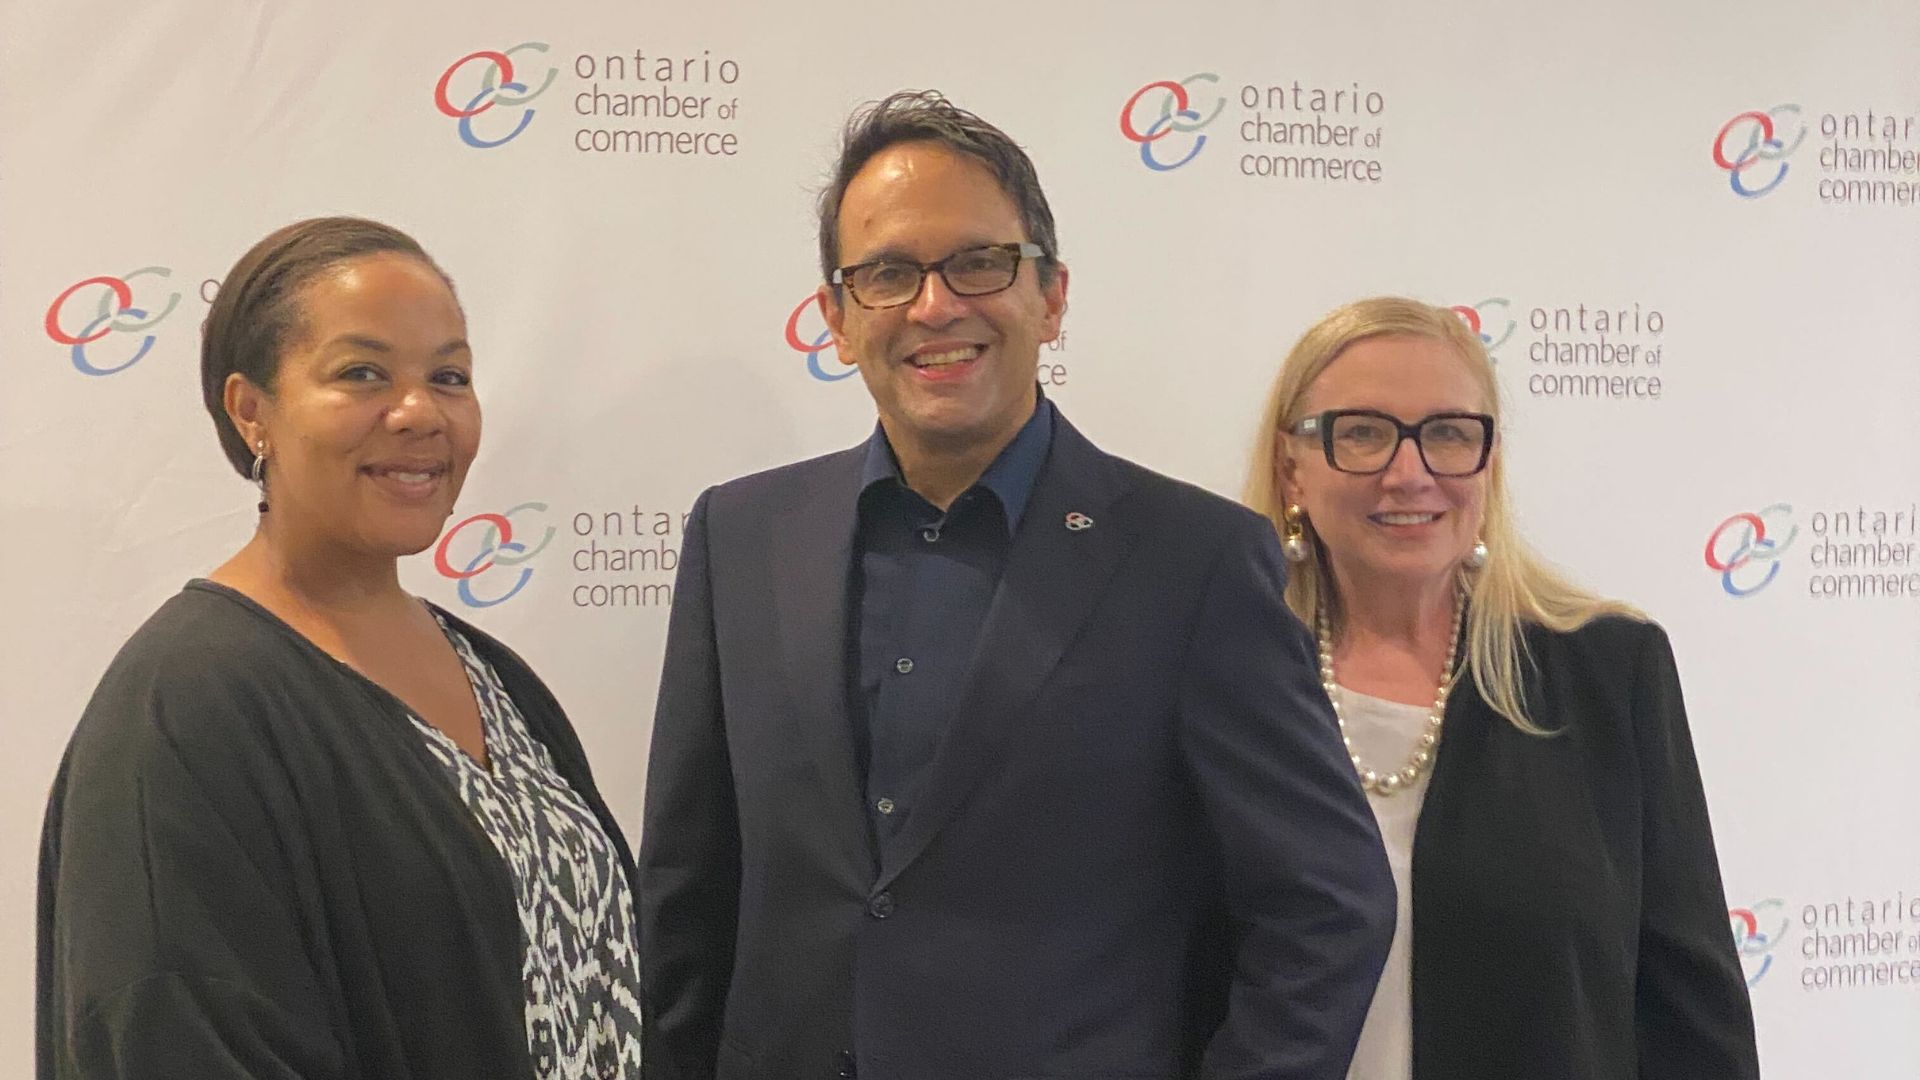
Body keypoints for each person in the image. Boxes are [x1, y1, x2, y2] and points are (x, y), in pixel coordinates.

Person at [638, 90, 1394, 1080]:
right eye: (888, 274)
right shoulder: (739, 540)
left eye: (978, 263)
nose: (935, 305)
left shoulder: (1194, 564)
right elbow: (689, 897)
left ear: (1052, 295)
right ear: (835, 315)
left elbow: (1327, 905)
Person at [37, 217, 643, 1080]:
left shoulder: (491, 673)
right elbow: (174, 1033)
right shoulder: (187, 706)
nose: (419, 412)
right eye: (362, 373)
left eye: (450, 377)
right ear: (252, 411)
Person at [1243, 296, 1761, 1080]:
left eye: (1449, 433)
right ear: (1293, 466)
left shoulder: (1609, 673)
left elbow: (1692, 1012)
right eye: (1362, 432)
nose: (1408, 472)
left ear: (1489, 463)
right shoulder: (1221, 675)